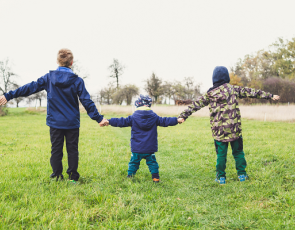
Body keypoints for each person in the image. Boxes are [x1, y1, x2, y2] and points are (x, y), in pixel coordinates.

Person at [0, 48, 107, 182]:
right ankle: (73, 177)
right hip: (72, 122)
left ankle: (57, 176)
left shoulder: (49, 78)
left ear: (58, 61)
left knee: (56, 150)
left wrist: (9, 95)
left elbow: (29, 88)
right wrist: (99, 118)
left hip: (55, 122)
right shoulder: (77, 80)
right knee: (72, 150)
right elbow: (86, 101)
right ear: (71, 62)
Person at [178, 66, 280, 185]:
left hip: (219, 132)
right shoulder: (232, 89)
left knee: (221, 154)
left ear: (214, 79)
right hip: (234, 129)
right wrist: (270, 95)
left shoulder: (210, 94)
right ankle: (242, 175)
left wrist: (183, 116)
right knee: (238, 152)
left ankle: (221, 177)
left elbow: (195, 105)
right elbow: (251, 92)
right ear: (226, 77)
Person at [100, 94, 184, 183]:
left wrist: (109, 121)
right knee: (152, 163)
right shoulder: (154, 117)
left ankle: (130, 176)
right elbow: (165, 121)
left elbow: (121, 121)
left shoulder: (133, 117)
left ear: (137, 105)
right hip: (150, 148)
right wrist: (176, 120)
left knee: (134, 162)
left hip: (137, 148)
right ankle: (155, 178)